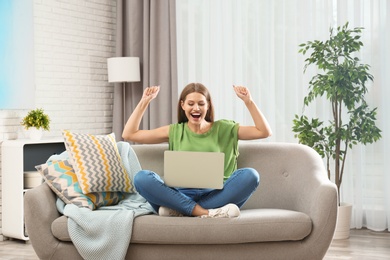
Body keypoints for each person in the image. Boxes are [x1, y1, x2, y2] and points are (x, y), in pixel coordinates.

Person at [122, 83, 272, 218]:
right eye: (191, 104)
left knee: (251, 175)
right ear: (183, 105)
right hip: (179, 194)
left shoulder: (225, 128)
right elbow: (129, 134)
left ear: (208, 106)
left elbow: (263, 131)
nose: (196, 108)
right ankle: (205, 213)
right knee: (142, 178)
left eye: (201, 103)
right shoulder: (174, 131)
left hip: (217, 195)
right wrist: (144, 102)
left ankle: (181, 211)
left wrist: (249, 102)